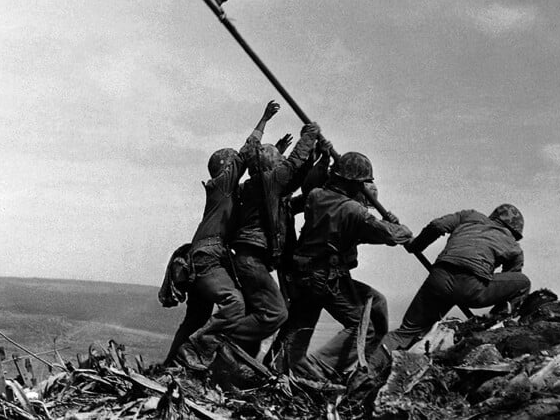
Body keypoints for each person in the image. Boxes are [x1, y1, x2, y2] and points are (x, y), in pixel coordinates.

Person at [270, 152, 413, 380]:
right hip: (325, 279)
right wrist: (401, 228)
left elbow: (348, 226)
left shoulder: (316, 197)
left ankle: (278, 369)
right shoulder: (353, 211)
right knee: (364, 327)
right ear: (354, 183)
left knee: (299, 329)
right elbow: (391, 236)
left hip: (302, 275)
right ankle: (321, 368)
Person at [162, 101, 280, 368]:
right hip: (209, 257)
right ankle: (195, 351)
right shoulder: (223, 184)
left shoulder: (224, 192)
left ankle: (170, 366)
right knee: (235, 304)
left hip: (202, 256)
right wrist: (264, 119)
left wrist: (275, 154)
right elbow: (248, 150)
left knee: (196, 319)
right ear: (226, 168)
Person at [359, 204, 530, 385]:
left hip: (439, 278)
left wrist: (416, 245)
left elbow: (437, 226)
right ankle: (494, 325)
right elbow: (511, 278)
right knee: (523, 282)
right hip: (472, 288)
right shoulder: (514, 247)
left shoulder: (469, 215)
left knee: (405, 333)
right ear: (514, 230)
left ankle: (366, 374)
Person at [226, 122, 323, 357]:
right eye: (279, 161)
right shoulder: (268, 182)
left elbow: (296, 179)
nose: (283, 165)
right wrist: (309, 136)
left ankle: (236, 360)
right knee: (276, 314)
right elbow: (292, 166)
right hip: (252, 260)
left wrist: (319, 159)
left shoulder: (263, 189)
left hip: (251, 259)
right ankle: (215, 339)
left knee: (258, 316)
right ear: (272, 166)